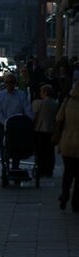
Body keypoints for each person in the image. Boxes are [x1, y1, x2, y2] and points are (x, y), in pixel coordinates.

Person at [0, 72, 34, 170]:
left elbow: (27, 108)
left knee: (17, 146)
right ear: (5, 83)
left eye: (11, 82)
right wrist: (6, 123)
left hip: (18, 125)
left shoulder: (21, 95)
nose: (10, 84)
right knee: (4, 147)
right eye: (7, 82)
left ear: (15, 83)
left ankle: (15, 166)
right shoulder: (0, 96)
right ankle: (5, 165)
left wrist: (29, 120)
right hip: (5, 124)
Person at [56, 81, 79, 212]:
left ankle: (65, 194)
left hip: (67, 141)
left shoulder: (67, 101)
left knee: (68, 172)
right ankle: (76, 202)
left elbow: (59, 118)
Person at [32, 84, 59, 177]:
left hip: (41, 129)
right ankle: (49, 169)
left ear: (45, 92)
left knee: (41, 151)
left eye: (41, 91)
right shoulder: (55, 103)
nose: (40, 93)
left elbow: (35, 116)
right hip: (51, 129)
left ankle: (41, 169)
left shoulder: (39, 103)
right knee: (50, 151)